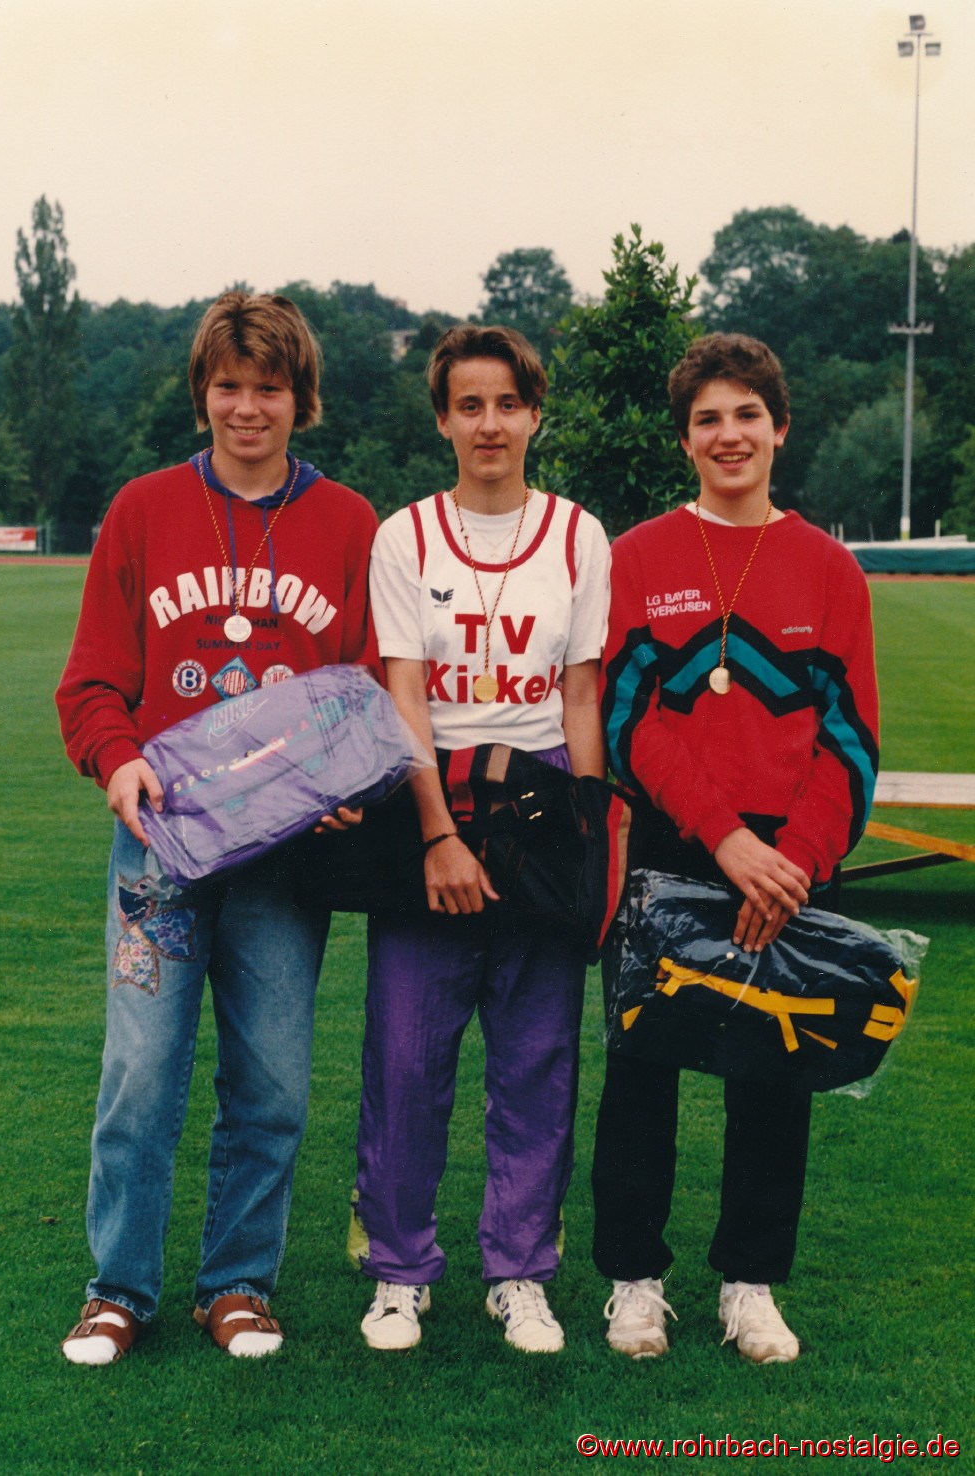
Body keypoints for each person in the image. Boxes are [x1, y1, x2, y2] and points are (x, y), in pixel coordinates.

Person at [55, 291, 378, 1364]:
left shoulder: (346, 522)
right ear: (204, 392)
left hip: (283, 860)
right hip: (161, 847)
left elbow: (366, 690)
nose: (249, 407)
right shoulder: (143, 509)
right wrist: (119, 759)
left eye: (270, 387)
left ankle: (237, 1283)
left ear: (302, 398)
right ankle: (118, 1287)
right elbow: (93, 680)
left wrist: (350, 784)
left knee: (274, 1080)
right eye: (230, 386)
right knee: (142, 1072)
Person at [592, 332, 879, 1365]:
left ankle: (749, 1284)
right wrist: (724, 843)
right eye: (708, 418)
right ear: (685, 438)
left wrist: (789, 855)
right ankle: (633, 1279)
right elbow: (628, 722)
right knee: (642, 1071)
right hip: (675, 844)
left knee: (774, 1076)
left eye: (746, 414)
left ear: (779, 427)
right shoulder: (636, 558)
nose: (729, 435)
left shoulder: (829, 568)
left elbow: (849, 740)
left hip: (792, 862)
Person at [349, 324, 611, 1354]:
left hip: (539, 820)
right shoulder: (404, 535)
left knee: (537, 1062)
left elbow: (580, 692)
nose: (489, 423)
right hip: (431, 819)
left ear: (534, 413)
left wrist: (586, 832)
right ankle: (399, 1273)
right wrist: (437, 836)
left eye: (507, 402)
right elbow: (402, 691)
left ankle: (520, 1272)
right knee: (407, 1060)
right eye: (469, 405)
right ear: (443, 420)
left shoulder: (577, 533)